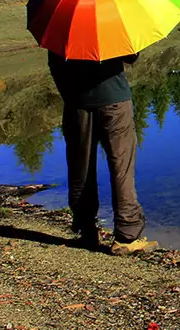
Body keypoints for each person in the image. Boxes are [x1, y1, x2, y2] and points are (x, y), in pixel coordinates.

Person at [47, 51, 158, 255]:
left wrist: (72, 96)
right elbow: (132, 55)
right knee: (121, 167)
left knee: (81, 167)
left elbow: (55, 67)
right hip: (114, 99)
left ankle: (86, 230)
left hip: (77, 105)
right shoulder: (110, 22)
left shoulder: (63, 28)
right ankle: (126, 236)